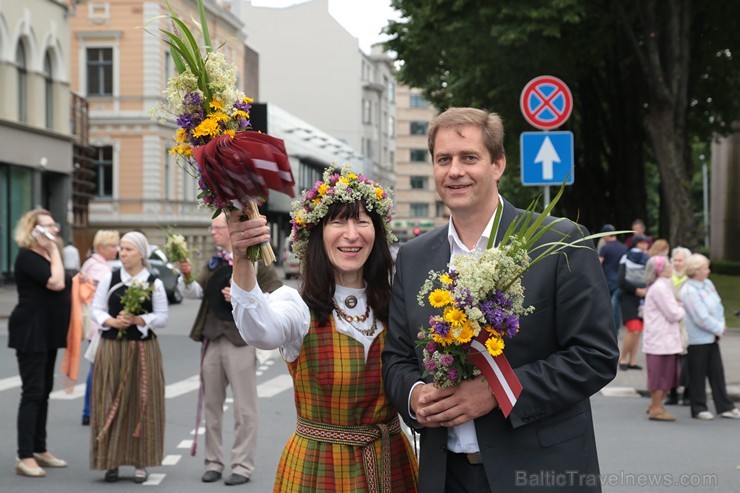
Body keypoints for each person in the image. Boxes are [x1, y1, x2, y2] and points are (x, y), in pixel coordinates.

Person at [382, 107, 618, 492]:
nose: (454, 171)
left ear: (498, 165)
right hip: (447, 476)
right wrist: (415, 396)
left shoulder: (559, 242)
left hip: (540, 473)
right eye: (444, 160)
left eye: (469, 157)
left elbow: (595, 356)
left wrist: (497, 391)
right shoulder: (413, 256)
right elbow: (397, 358)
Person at [228, 167, 419, 492]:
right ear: (316, 234)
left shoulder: (396, 304)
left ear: (377, 231)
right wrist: (242, 259)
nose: (351, 234)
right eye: (338, 221)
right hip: (319, 469)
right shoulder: (297, 306)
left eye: (361, 221)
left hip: (392, 464)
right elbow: (258, 331)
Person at [179, 213, 282, 485]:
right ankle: (213, 462)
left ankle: (242, 465)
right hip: (213, 338)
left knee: (245, 409)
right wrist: (186, 276)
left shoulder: (257, 260)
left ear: (232, 229)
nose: (213, 232)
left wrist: (247, 296)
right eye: (211, 228)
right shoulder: (213, 263)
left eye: (217, 228)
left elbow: (277, 294)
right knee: (211, 406)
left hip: (241, 341)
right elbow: (195, 294)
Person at [89, 231, 169, 483]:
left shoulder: (153, 282)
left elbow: (162, 316)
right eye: (121, 249)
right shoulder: (109, 278)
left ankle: (140, 462)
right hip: (112, 348)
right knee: (108, 398)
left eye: (128, 249)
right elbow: (95, 309)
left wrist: (139, 319)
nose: (122, 253)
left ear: (141, 254)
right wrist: (112, 320)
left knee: (142, 402)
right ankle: (109, 461)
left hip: (143, 350)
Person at [7, 209, 70, 477]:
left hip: (48, 332)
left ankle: (39, 448)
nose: (53, 230)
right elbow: (56, 282)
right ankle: (24, 456)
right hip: (31, 331)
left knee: (44, 392)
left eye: (54, 225)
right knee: (33, 393)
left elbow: (67, 280)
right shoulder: (27, 257)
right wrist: (55, 250)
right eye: (46, 226)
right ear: (32, 230)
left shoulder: (45, 256)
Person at [680, 253, 740, 421]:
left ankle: (725, 406)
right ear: (695, 271)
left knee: (717, 373)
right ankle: (698, 407)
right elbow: (700, 317)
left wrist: (719, 326)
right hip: (698, 338)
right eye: (705, 268)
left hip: (712, 336)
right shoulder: (689, 290)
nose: (708, 270)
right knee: (698, 374)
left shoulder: (707, 284)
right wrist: (719, 327)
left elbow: (719, 306)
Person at [79, 230, 120, 426]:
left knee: (96, 367)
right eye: (113, 246)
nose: (117, 249)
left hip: (92, 323)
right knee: (98, 369)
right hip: (99, 324)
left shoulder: (90, 263)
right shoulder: (101, 270)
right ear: (102, 247)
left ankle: (90, 409)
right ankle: (91, 410)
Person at [641, 255, 684, 421]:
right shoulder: (660, 287)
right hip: (661, 339)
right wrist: (682, 309)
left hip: (663, 338)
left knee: (665, 374)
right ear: (659, 270)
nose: (671, 267)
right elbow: (673, 313)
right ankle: (656, 408)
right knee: (660, 375)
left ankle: (655, 405)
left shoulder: (660, 285)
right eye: (667, 266)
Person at [617, 234, 650, 371]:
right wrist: (637, 290)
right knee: (634, 329)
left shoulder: (647, 258)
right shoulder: (626, 257)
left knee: (638, 331)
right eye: (643, 242)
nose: (646, 245)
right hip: (629, 298)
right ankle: (623, 359)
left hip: (642, 299)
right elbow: (621, 280)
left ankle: (632, 361)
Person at [665, 246, 692, 406]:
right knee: (671, 360)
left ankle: (688, 392)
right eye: (675, 260)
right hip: (671, 323)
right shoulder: (668, 278)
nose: (677, 263)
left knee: (687, 360)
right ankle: (672, 393)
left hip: (687, 324)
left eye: (680, 260)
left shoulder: (690, 278)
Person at [598, 224, 628, 332]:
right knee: (615, 304)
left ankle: (608, 328)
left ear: (606, 235)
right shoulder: (624, 247)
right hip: (620, 280)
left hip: (608, 280)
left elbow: (598, 264)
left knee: (608, 305)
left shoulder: (605, 248)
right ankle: (616, 328)